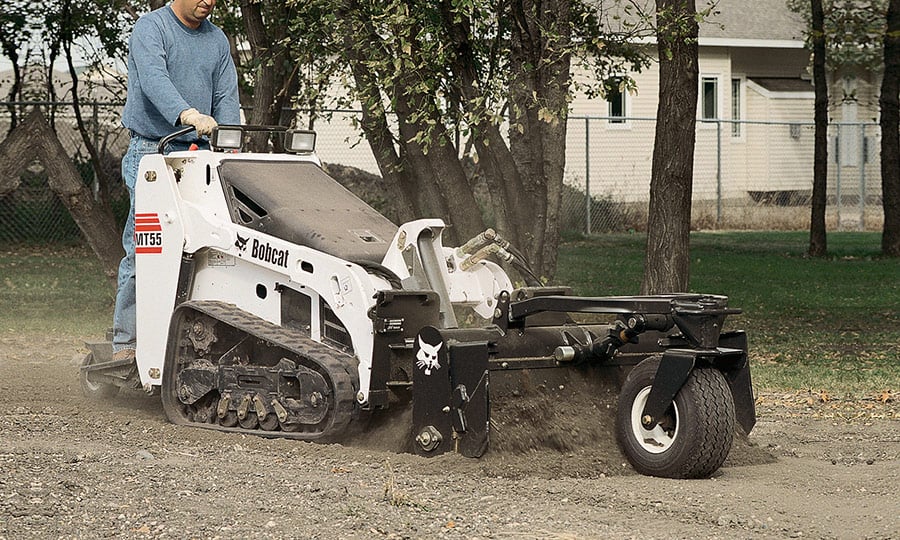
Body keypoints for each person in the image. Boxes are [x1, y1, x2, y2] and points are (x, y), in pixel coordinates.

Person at [113, 0, 240, 362]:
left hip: (200, 154)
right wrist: (186, 113)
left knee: (211, 247)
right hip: (154, 151)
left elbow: (226, 95)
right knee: (146, 249)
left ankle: (195, 339)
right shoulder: (152, 28)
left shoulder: (217, 40)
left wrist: (228, 145)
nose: (209, 2)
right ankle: (127, 344)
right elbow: (154, 78)